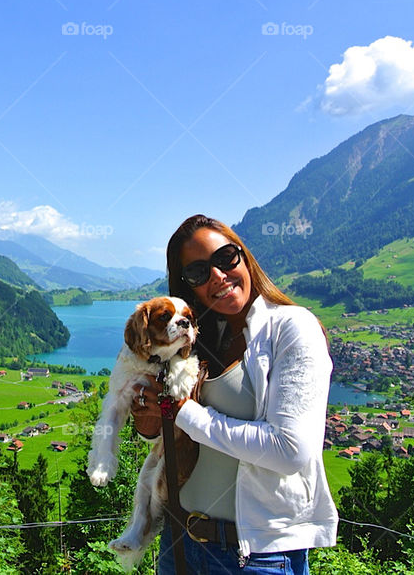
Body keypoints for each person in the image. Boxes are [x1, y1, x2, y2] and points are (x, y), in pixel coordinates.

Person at [131, 214, 338, 574]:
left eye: (225, 258)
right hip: (179, 541)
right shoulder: (198, 337)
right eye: (197, 273)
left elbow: (290, 451)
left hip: (254, 556)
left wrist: (183, 412)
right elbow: (166, 429)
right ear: (187, 287)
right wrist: (148, 419)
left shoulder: (292, 328)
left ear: (244, 256)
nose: (217, 276)